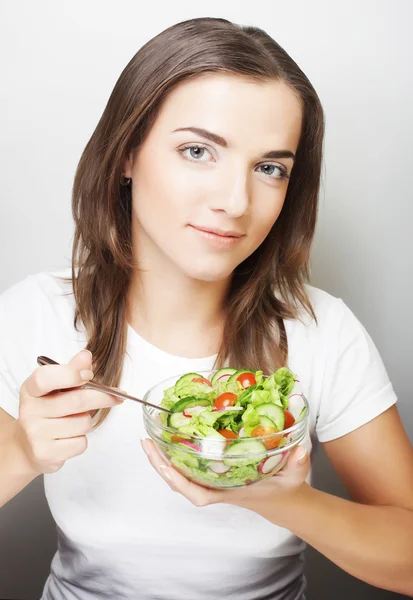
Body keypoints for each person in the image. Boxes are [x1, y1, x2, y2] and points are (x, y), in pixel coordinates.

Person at [0, 15, 412, 600]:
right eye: (198, 151)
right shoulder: (34, 312)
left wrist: (290, 503)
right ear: (127, 154)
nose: (235, 201)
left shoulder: (322, 331)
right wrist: (20, 451)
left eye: (270, 168)